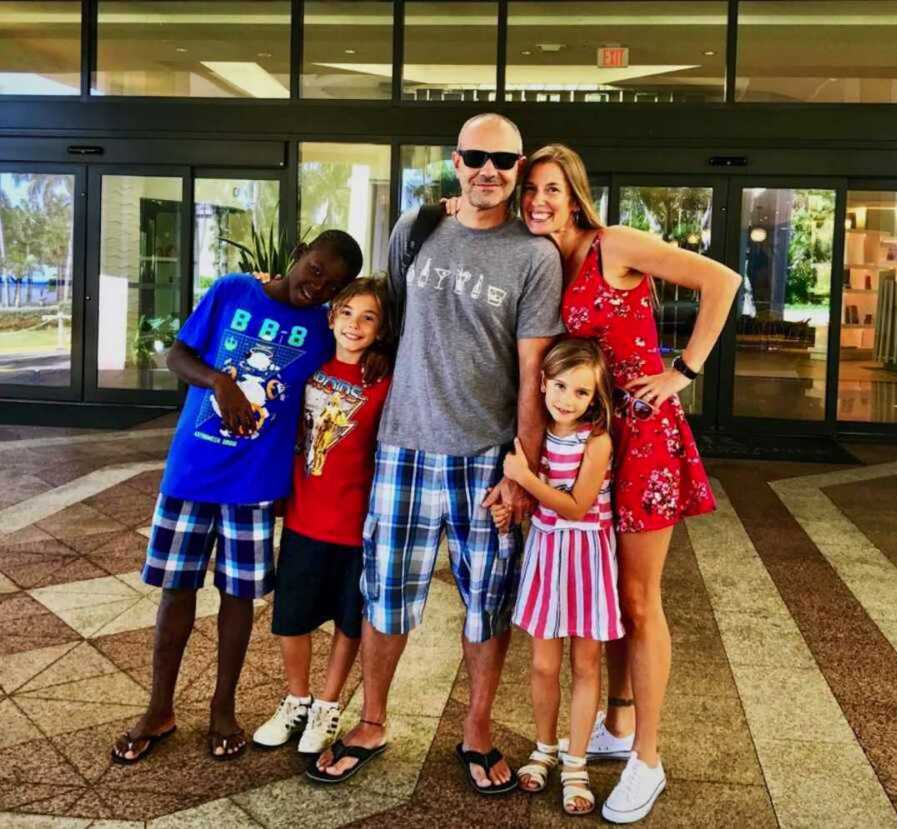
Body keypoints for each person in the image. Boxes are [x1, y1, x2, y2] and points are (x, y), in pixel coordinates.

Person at [309, 113, 565, 793]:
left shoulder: (534, 255)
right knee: (384, 596)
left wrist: (523, 470)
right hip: (403, 448)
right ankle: (372, 719)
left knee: (487, 601)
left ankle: (477, 732)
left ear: (516, 169)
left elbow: (534, 369)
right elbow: (388, 321)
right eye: (476, 157)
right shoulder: (414, 229)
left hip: (486, 457)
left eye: (503, 161)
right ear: (456, 161)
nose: (489, 170)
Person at [517, 144, 740, 822]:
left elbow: (722, 281)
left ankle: (648, 756)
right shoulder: (543, 260)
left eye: (552, 188)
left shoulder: (614, 243)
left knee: (639, 600)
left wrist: (684, 370)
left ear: (575, 192)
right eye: (530, 189)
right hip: (588, 442)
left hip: (642, 438)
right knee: (606, 594)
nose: (538, 200)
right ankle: (618, 718)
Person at [110, 231, 363, 765]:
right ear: (297, 256)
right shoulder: (231, 291)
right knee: (175, 591)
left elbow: (344, 369)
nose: (316, 287)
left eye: (332, 284)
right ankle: (159, 708)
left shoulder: (322, 328)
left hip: (254, 485)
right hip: (193, 472)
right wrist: (219, 383)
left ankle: (223, 709)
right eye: (315, 269)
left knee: (237, 597)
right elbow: (178, 353)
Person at [252, 277, 392, 755]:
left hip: (356, 527)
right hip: (303, 519)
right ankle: (296, 699)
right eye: (347, 313)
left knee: (348, 623)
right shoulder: (309, 368)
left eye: (368, 317)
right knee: (291, 618)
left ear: (381, 328)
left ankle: (328, 706)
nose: (355, 325)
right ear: (331, 317)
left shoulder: (384, 381)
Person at [493, 338, 622, 816]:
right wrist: (511, 506)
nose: (567, 399)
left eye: (582, 392)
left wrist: (523, 479)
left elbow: (577, 506)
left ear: (596, 397)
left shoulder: (598, 441)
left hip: (587, 558)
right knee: (545, 665)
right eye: (561, 385)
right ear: (543, 382)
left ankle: (576, 762)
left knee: (586, 666)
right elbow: (533, 504)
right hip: (547, 557)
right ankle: (544, 747)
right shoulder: (534, 433)